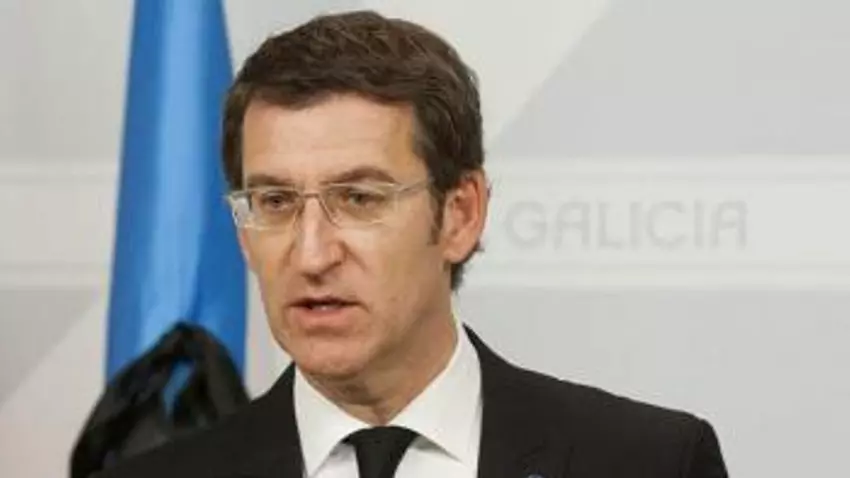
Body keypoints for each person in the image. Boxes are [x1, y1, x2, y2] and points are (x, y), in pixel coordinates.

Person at [101, 10, 728, 478]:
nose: (312, 255)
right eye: (275, 202)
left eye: (359, 198)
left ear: (460, 214)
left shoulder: (647, 462)